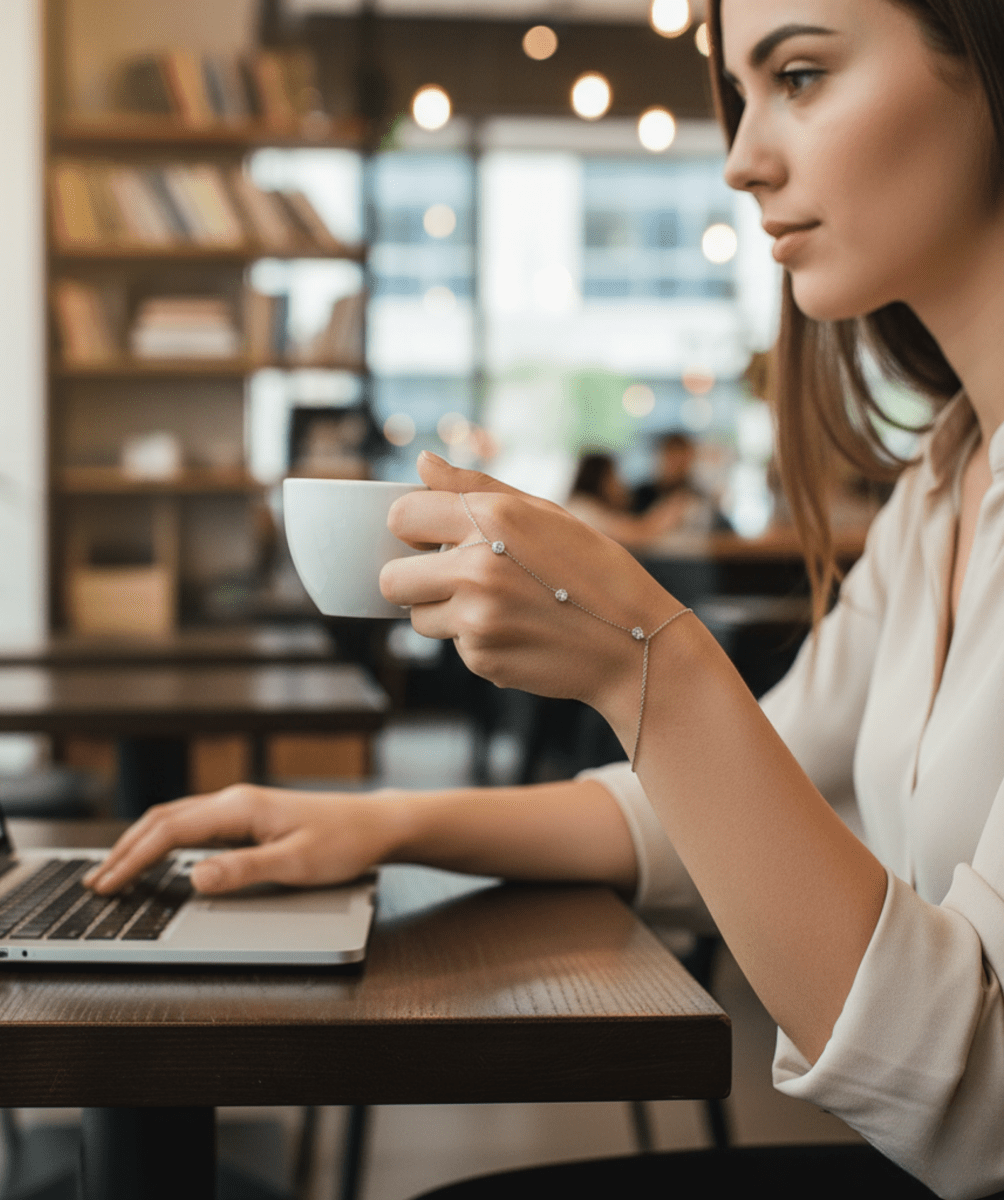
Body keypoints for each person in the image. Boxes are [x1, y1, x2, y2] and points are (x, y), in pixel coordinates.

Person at [86, 1, 1004, 1195]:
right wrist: (386, 825)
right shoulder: (945, 482)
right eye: (741, 93)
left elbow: (977, 1101)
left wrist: (646, 662)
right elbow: (714, 810)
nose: (740, 159)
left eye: (800, 74)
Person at [564, 450, 693, 546]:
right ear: (600, 480)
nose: (620, 484)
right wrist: (670, 510)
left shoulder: (580, 506)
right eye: (614, 477)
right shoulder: (585, 511)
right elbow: (639, 534)